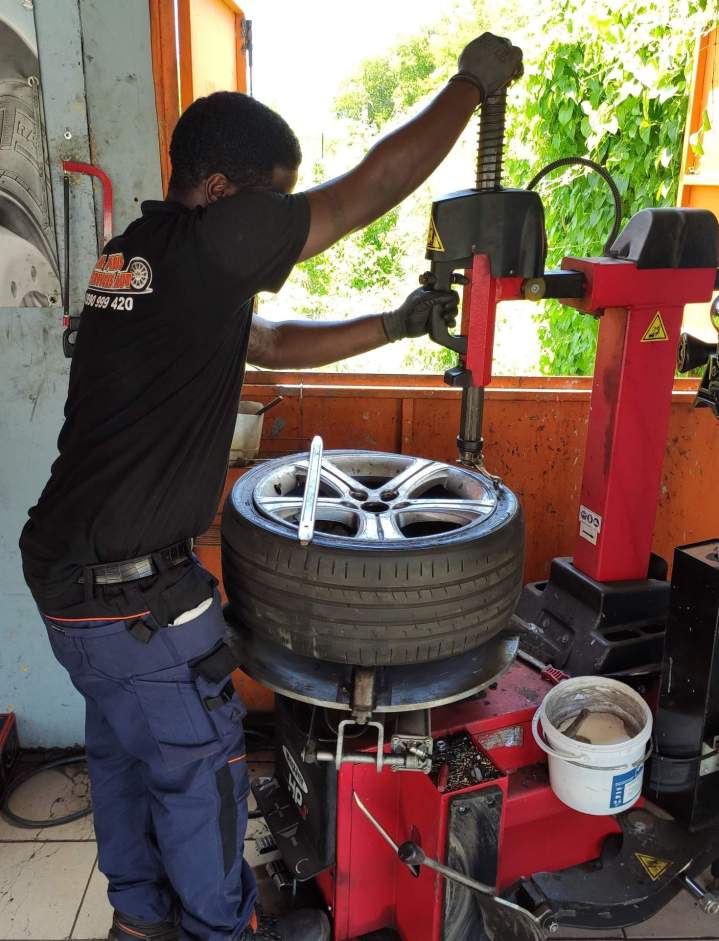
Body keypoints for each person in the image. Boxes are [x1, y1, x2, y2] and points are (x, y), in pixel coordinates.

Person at [19, 32, 522, 941]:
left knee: (126, 754)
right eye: (272, 201)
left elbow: (271, 344)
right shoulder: (215, 237)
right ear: (220, 190)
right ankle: (219, 929)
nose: (278, 225)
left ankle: (137, 917)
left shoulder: (140, 255)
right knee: (199, 765)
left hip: (63, 576)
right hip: (135, 595)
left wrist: (392, 323)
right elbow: (365, 191)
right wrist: (467, 87)